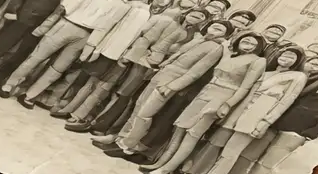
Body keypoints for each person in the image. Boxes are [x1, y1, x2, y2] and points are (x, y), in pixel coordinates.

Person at [94, 19, 234, 160]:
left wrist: (173, 86)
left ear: (226, 35)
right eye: (213, 26)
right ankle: (121, 137)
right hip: (163, 73)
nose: (214, 30)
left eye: (220, 29)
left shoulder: (216, 48)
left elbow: (196, 72)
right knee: (139, 105)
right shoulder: (199, 40)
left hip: (172, 80)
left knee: (146, 113)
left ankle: (128, 144)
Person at [182, 46, 307, 174]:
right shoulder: (266, 72)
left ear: (297, 61)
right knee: (224, 151)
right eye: (285, 54)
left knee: (231, 153)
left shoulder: (297, 77)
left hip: (257, 116)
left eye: (292, 57)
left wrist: (266, 122)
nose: (286, 58)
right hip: (239, 113)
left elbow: (285, 101)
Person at [138, 31, 267, 174]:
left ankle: (166, 169)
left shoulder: (258, 61)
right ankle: (160, 163)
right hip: (206, 92)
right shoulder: (230, 54)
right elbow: (225, 50)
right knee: (180, 127)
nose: (248, 44)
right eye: (246, 40)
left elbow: (245, 87)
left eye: (253, 43)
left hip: (223, 97)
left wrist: (228, 104)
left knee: (193, 133)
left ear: (258, 47)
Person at [0, 0, 131, 108]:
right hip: (66, 25)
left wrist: (92, 47)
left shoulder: (123, 6)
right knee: (36, 58)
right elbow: (64, 8)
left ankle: (30, 95)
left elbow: (106, 26)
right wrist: (46, 26)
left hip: (86, 36)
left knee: (58, 68)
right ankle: (9, 85)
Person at [83, 6, 209, 136]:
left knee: (127, 95)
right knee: (117, 89)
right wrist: (132, 54)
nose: (196, 17)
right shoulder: (170, 23)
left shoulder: (195, 37)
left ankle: (104, 125)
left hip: (155, 67)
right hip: (140, 58)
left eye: (201, 16)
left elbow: (179, 53)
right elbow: (147, 38)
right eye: (194, 13)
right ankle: (94, 118)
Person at [52, 0, 168, 123]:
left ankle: (80, 115)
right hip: (112, 50)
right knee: (91, 80)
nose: (161, 0)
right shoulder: (134, 7)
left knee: (104, 87)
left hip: (132, 58)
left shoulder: (165, 19)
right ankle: (69, 107)